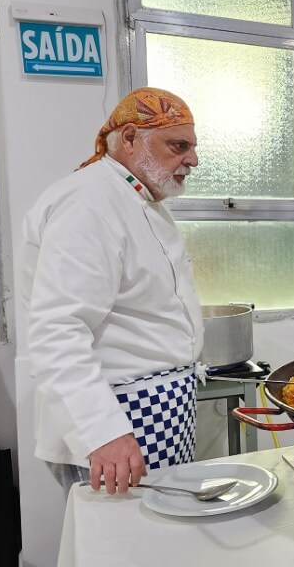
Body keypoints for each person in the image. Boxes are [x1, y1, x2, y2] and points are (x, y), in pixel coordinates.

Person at [20, 87, 204, 496]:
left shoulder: (136, 200)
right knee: (125, 551)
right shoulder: (90, 205)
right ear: (130, 138)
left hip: (154, 413)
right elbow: (58, 331)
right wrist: (102, 433)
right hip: (119, 420)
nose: (192, 159)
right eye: (179, 146)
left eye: (192, 147)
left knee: (160, 549)